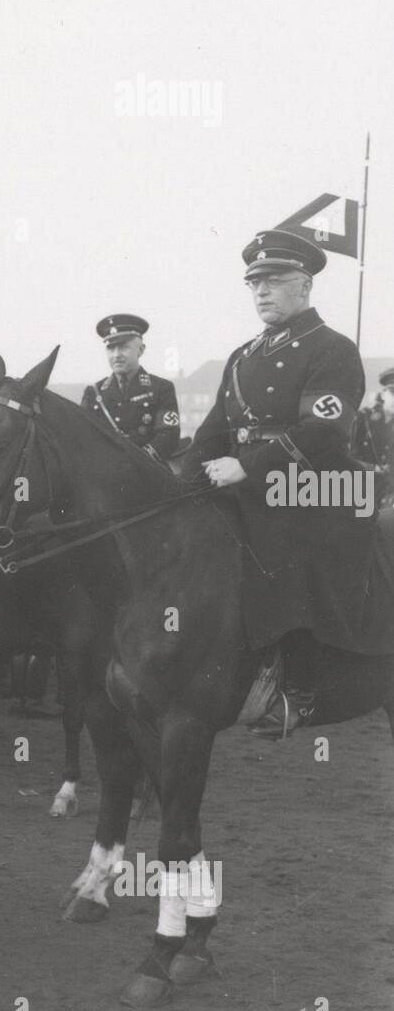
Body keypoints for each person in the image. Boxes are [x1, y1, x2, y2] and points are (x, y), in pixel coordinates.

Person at [185, 228, 370, 739]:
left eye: (274, 281)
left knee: (283, 544)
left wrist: (248, 468)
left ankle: (300, 693)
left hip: (312, 483)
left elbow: (326, 431)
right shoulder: (243, 355)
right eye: (254, 284)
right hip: (247, 479)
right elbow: (211, 433)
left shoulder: (331, 348)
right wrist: (179, 487)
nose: (261, 292)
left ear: (304, 286)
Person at [80, 315, 181, 460]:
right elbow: (82, 437)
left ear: (140, 350)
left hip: (147, 471)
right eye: (110, 348)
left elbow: (169, 436)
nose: (116, 355)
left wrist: (138, 461)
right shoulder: (93, 393)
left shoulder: (161, 388)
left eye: (123, 347)